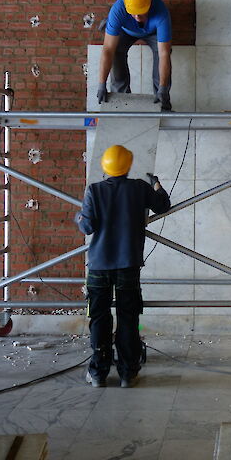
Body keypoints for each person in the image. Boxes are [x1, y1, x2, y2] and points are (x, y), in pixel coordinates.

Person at [74, 144, 171, 388]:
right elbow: (163, 205)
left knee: (99, 318)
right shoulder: (139, 188)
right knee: (128, 318)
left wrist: (79, 216)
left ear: (105, 166)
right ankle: (128, 373)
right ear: (128, 165)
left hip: (99, 266)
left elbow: (87, 227)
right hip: (128, 265)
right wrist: (156, 184)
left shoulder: (94, 191)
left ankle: (98, 373)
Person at [97, 0, 173, 111]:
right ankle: (120, 101)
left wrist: (163, 88)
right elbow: (108, 50)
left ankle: (161, 101)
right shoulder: (118, 10)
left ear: (149, 6)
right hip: (125, 31)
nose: (137, 17)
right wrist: (101, 84)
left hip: (153, 32)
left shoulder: (161, 12)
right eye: (133, 13)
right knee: (115, 52)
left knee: (162, 56)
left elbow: (163, 54)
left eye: (141, 13)